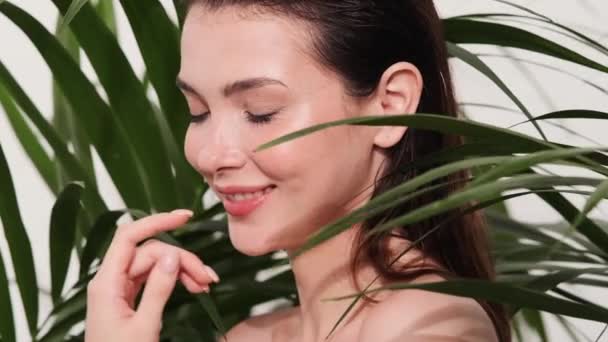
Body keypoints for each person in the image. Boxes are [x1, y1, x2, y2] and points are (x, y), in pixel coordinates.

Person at [85, 1, 511, 341]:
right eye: (198, 112)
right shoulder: (247, 336)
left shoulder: (429, 327)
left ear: (389, 105)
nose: (212, 155)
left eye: (260, 112)